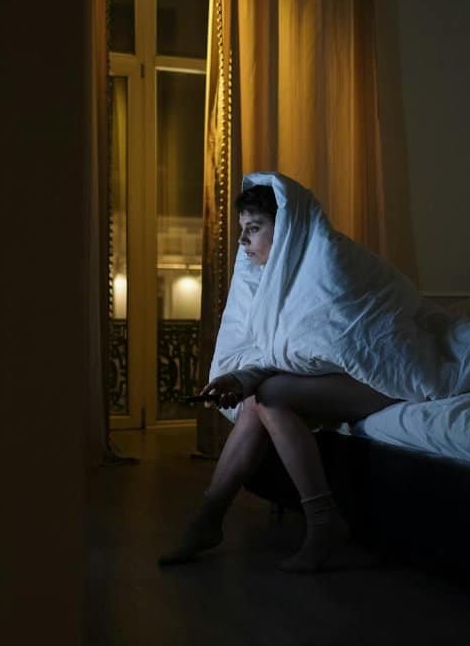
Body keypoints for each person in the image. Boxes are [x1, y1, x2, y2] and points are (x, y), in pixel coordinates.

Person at [157, 184, 399, 573]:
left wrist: (247, 378)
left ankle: (316, 521)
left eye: (254, 227)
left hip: (383, 378)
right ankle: (211, 518)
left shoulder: (329, 263)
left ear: (285, 228)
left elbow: (335, 344)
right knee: (259, 398)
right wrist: (240, 378)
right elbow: (291, 350)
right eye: (242, 229)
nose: (243, 239)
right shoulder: (276, 277)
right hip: (338, 377)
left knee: (268, 394)